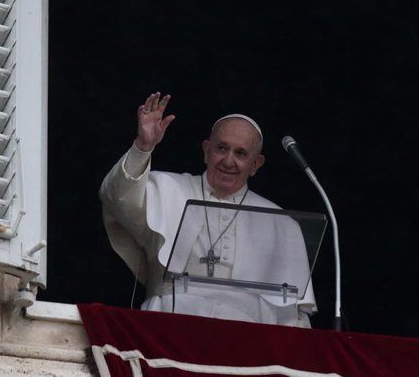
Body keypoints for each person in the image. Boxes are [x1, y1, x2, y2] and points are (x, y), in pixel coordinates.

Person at [99, 92, 316, 327]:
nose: (229, 161)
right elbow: (117, 199)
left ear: (256, 164)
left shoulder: (281, 224)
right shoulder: (166, 188)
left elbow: (295, 316)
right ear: (206, 150)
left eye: (241, 153)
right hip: (168, 327)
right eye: (221, 148)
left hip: (248, 342)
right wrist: (143, 147)